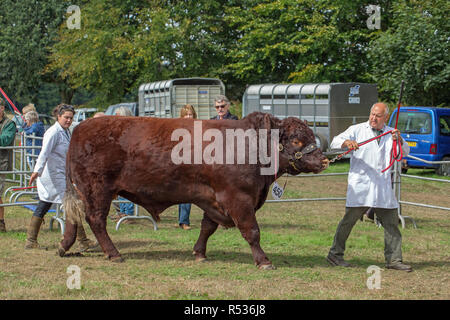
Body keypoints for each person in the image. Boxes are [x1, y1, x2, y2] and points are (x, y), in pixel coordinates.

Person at [326, 102, 413, 272]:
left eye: (378, 116)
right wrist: (347, 143)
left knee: (391, 224)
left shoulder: (391, 133)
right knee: (348, 221)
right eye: (372, 114)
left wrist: (399, 140)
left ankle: (394, 260)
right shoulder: (357, 129)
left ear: (385, 117)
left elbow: (405, 152)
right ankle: (335, 254)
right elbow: (335, 141)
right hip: (361, 186)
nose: (373, 118)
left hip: (382, 187)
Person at [26, 104, 98, 251]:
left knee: (45, 204)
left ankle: (30, 240)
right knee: (71, 204)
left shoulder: (66, 131)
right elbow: (44, 153)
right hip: (52, 175)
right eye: (66, 117)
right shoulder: (53, 132)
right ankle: (82, 241)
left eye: (71, 118)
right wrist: (36, 171)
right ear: (58, 116)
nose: (69, 120)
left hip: (60, 173)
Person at [177, 104, 198, 230]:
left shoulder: (199, 128)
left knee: (188, 193)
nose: (189, 117)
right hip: (182, 163)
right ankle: (183, 221)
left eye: (191, 114)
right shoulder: (178, 129)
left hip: (195, 163)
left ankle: (183, 221)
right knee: (183, 193)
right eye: (186, 114)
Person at [0, 98, 17, 232]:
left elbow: (5, 140)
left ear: (2, 108)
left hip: (1, 163)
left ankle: (1, 223)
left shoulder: (9, 124)